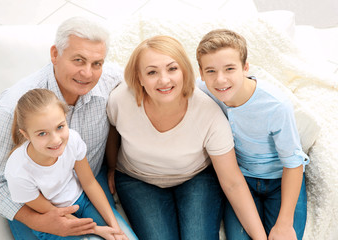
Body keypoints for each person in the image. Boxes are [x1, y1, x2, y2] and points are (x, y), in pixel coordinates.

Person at [0, 17, 137, 240]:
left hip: (86, 187)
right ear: (55, 54)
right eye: (78, 60)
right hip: (36, 205)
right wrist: (39, 221)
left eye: (97, 63)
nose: (87, 73)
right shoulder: (11, 109)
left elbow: (154, 82)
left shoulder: (110, 80)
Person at [106, 35, 267, 240]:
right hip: (137, 178)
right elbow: (112, 130)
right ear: (139, 77)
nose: (164, 80)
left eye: (172, 69)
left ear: (184, 70)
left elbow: (233, 182)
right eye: (152, 72)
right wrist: (111, 166)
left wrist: (260, 238)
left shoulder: (208, 113)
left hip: (196, 177)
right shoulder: (121, 100)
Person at [196, 29, 308, 240]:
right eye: (210, 71)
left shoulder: (275, 105)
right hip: (242, 180)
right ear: (201, 73)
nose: (220, 80)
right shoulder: (201, 91)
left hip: (280, 180)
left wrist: (284, 223)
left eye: (230, 69)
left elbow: (293, 163)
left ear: (245, 68)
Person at [5, 89, 129, 240]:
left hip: (81, 201)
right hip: (52, 217)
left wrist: (115, 228)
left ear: (65, 118)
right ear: (25, 134)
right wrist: (98, 231)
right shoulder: (18, 171)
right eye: (42, 133)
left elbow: (89, 183)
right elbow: (49, 210)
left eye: (60, 127)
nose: (56, 140)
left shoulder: (73, 140)